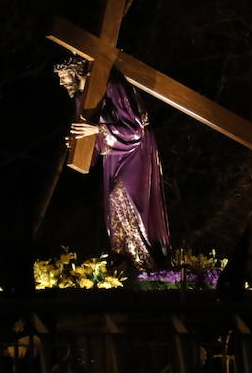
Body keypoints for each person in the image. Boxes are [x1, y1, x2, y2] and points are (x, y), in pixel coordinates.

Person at [57, 59, 170, 269]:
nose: (62, 82)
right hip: (113, 155)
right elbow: (90, 142)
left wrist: (98, 130)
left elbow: (135, 130)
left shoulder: (115, 86)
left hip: (137, 151)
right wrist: (78, 143)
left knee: (121, 196)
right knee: (112, 205)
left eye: (64, 76)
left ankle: (145, 261)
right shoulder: (82, 99)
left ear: (77, 72)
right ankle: (124, 260)